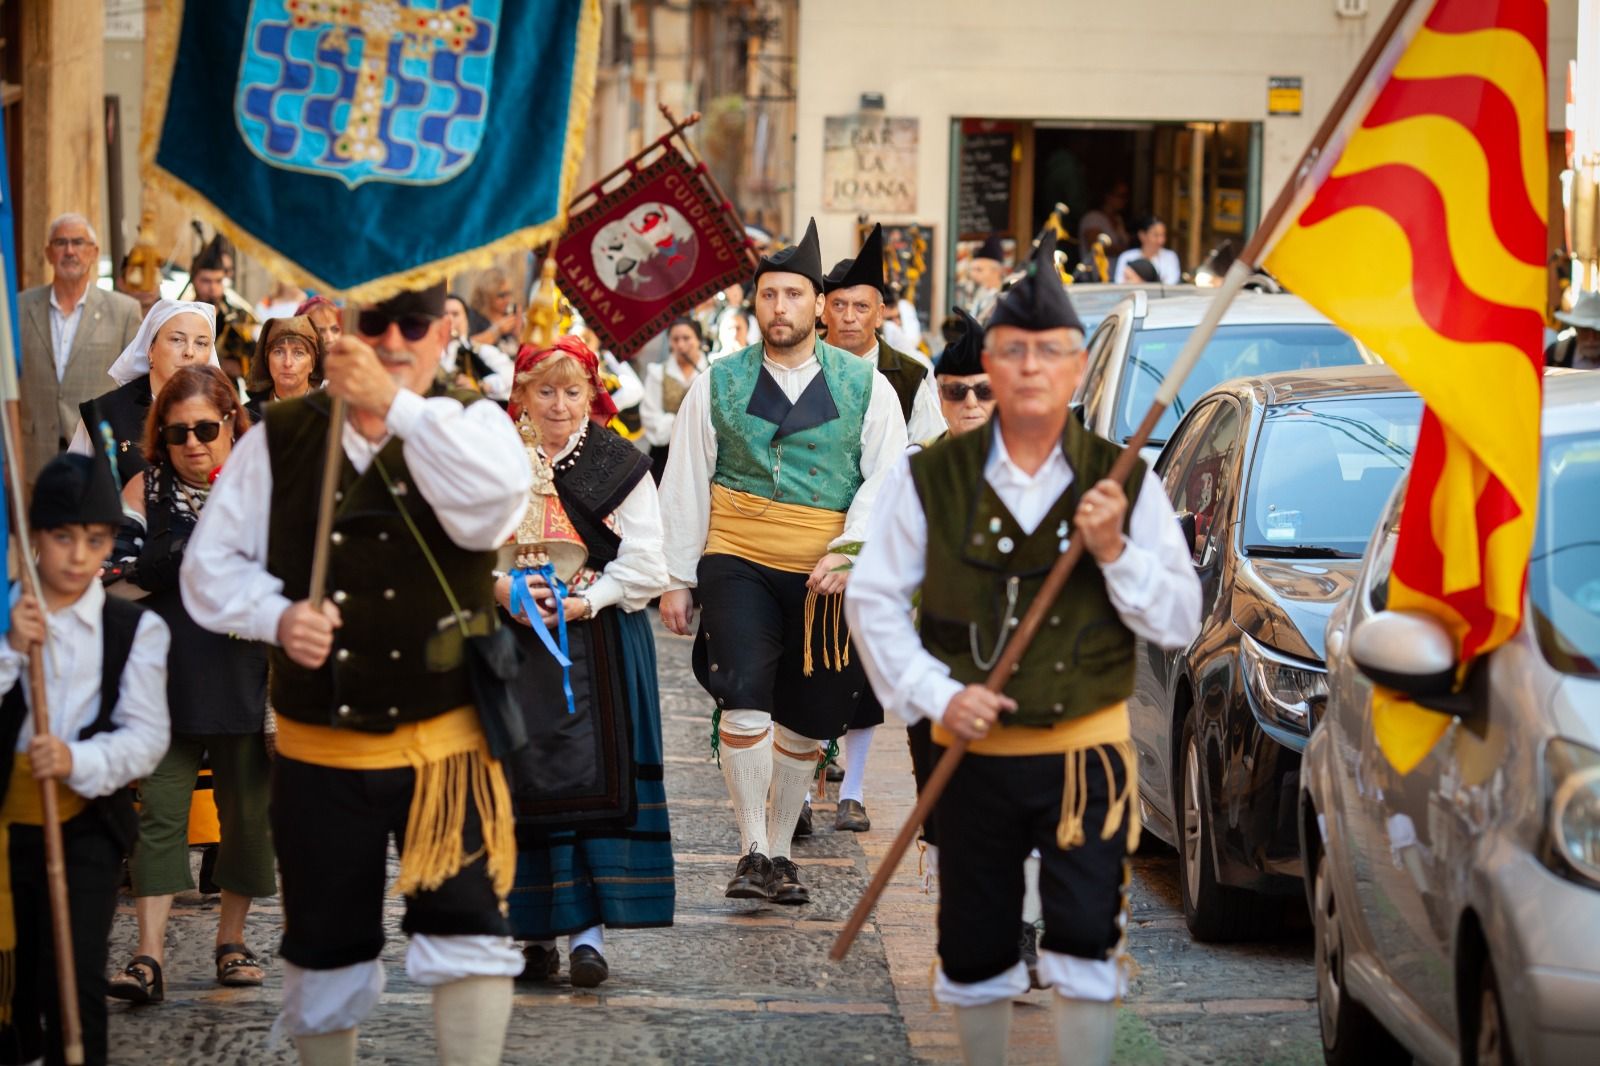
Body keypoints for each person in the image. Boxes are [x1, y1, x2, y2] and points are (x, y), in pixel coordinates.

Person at [845, 234, 1201, 1066]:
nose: (1032, 368)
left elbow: (1181, 619)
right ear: (989, 369)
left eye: (1052, 352)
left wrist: (1116, 552)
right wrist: (936, 693)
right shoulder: (931, 477)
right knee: (975, 946)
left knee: (1081, 940)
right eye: (1013, 352)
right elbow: (875, 599)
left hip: (1086, 757)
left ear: (1080, 368)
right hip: (970, 752)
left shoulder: (1123, 481)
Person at [180, 281, 532, 1065]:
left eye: (414, 323)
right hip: (320, 750)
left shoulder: (471, 421)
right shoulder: (280, 435)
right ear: (347, 327)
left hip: (444, 746)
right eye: (377, 323)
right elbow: (210, 567)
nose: (395, 339)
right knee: (325, 946)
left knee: (469, 929)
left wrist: (396, 407)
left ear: (445, 330)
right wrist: (277, 617)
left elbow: (494, 503)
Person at [658, 219, 907, 905]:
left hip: (826, 569)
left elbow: (886, 478)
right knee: (743, 694)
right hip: (736, 557)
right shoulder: (718, 382)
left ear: (818, 305)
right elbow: (685, 480)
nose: (780, 308)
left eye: (794, 295)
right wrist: (678, 578)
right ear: (755, 305)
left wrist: (852, 552)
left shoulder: (866, 387)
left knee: (808, 716)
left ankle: (779, 848)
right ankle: (753, 850)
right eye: (769, 296)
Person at [499, 337, 674, 989]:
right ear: (520, 396)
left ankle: (589, 938)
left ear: (593, 395)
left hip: (597, 642)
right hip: (515, 640)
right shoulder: (496, 464)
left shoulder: (619, 462)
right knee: (526, 783)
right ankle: (531, 933)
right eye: (545, 390)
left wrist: (588, 600)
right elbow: (467, 544)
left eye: (573, 391)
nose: (560, 405)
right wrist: (504, 588)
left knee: (592, 785)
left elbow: (649, 563)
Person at [105, 366, 274, 1005]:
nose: (194, 444)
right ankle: (147, 956)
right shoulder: (143, 489)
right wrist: (180, 561)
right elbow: (112, 575)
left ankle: (231, 941)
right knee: (161, 819)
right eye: (178, 434)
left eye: (207, 428)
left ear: (232, 423)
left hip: (246, 677)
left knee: (248, 820)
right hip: (164, 679)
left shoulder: (264, 492)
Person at [0, 451, 170, 1066]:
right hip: (5, 825)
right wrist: (11, 652)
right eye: (62, 536)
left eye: (94, 539)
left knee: (74, 978)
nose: (77, 554)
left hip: (87, 823)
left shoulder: (134, 631)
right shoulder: (7, 618)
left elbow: (146, 738)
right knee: (15, 988)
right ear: (34, 537)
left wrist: (74, 760)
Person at [818, 224, 947, 833]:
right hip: (804, 526)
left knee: (862, 660)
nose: (847, 317)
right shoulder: (801, 363)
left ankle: (856, 787)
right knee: (806, 653)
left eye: (860, 306)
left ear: (881, 312)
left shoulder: (911, 373)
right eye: (838, 305)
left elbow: (927, 447)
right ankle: (810, 764)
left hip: (878, 535)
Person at [17, 213, 143, 484]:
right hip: (33, 457)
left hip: (97, 453)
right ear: (49, 253)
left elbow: (134, 387)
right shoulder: (18, 307)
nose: (70, 251)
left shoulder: (123, 312)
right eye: (61, 242)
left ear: (94, 252)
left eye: (78, 242)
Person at [69, 300, 220, 486]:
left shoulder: (224, 417)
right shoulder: (105, 414)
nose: (189, 352)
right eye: (177, 339)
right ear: (150, 350)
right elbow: (70, 494)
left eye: (201, 343)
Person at [639, 318, 707, 481]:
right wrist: (678, 422)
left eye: (686, 338)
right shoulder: (658, 373)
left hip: (704, 452)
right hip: (666, 453)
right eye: (675, 339)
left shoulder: (711, 371)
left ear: (698, 340)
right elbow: (650, 417)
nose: (681, 345)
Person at [189, 238, 259, 382]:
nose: (213, 287)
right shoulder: (181, 316)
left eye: (218, 281)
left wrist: (239, 367)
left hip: (226, 391)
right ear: (194, 280)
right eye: (206, 281)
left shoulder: (241, 317)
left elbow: (258, 363)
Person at [245, 315, 323, 422]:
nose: (287, 363)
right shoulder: (248, 417)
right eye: (278, 352)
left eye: (298, 353)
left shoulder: (330, 414)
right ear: (267, 361)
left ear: (312, 364)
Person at [933, 308, 996, 439]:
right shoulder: (918, 458)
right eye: (956, 392)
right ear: (940, 398)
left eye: (985, 391)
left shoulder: (1035, 457)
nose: (971, 402)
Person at [442, 293, 514, 401]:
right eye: (444, 314)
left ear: (466, 320)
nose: (449, 319)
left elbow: (511, 375)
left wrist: (480, 385)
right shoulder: (431, 355)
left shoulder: (480, 350)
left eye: (455, 314)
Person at [1111, 215, 1181, 286]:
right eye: (1156, 235)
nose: (1161, 240)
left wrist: (1138, 281)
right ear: (1142, 235)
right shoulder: (1127, 256)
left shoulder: (1170, 257)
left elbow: (1171, 284)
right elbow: (1119, 283)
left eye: (1163, 235)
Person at [469, 268, 523, 356]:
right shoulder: (474, 317)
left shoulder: (509, 315)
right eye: (501, 295)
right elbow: (468, 345)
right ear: (487, 296)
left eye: (509, 293)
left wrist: (518, 331)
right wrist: (496, 331)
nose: (507, 299)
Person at [1077, 181, 1131, 265]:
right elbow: (1096, 247)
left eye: (1126, 196)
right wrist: (1128, 251)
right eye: (1120, 196)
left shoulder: (1118, 219)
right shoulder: (1092, 218)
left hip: (1116, 275)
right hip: (1096, 276)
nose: (1124, 200)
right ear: (1108, 196)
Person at [1547, 289, 1600, 370]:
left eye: (1597, 330)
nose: (1591, 338)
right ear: (1576, 329)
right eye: (1585, 330)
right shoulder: (1555, 353)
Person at [960, 234, 1006, 323]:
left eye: (979, 270)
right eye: (972, 270)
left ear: (996, 271)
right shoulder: (979, 293)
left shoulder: (1005, 296)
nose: (973, 274)